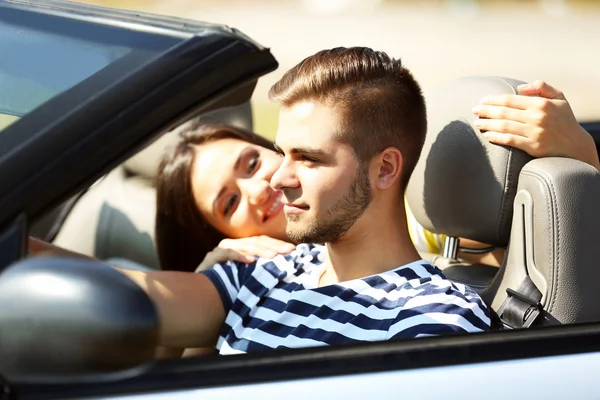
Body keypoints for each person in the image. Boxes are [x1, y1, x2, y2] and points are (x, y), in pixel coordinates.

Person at [117, 47, 493, 355]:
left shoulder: (433, 317)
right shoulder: (261, 271)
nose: (278, 179)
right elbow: (123, 300)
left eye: (309, 158)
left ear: (384, 169)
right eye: (282, 152)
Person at [154, 80, 600, 274]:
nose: (260, 187)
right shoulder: (241, 281)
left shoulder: (399, 215)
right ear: (219, 235)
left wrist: (579, 156)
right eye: (228, 204)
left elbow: (535, 267)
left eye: (251, 163)